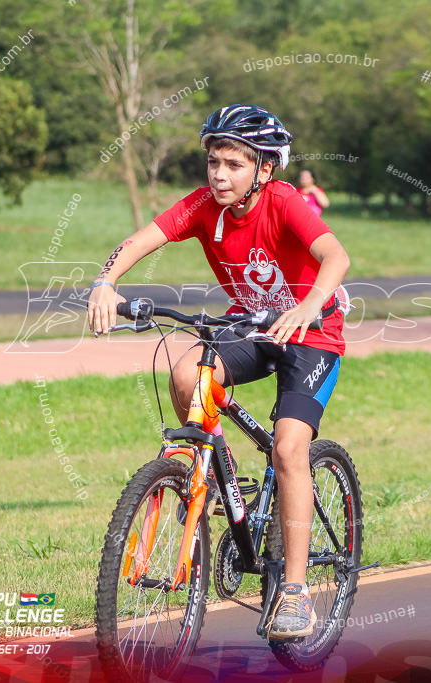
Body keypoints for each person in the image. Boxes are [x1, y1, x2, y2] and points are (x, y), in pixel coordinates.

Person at [86, 104, 351, 640]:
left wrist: (307, 305)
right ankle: (202, 477)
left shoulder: (284, 202)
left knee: (288, 448)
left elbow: (335, 256)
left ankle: (296, 594)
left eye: (233, 164)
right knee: (188, 376)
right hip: (251, 324)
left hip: (312, 331)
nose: (220, 174)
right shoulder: (204, 206)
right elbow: (141, 240)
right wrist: (104, 282)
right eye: (213, 161)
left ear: (264, 170)